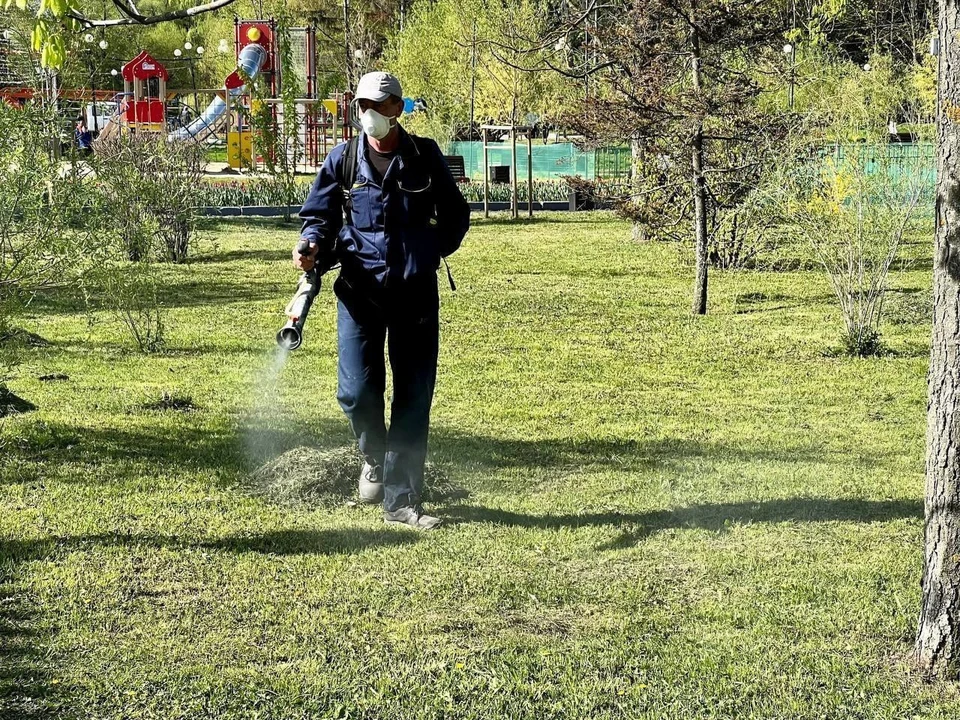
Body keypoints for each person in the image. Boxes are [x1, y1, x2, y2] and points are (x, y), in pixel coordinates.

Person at [295, 71, 470, 530]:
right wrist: (310, 243)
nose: (366, 114)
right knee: (355, 391)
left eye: (376, 105)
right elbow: (319, 215)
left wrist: (429, 252)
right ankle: (373, 456)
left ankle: (401, 499)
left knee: (413, 395)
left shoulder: (424, 156)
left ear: (397, 108)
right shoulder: (344, 158)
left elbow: (456, 216)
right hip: (359, 292)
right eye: (360, 106)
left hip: (414, 294)